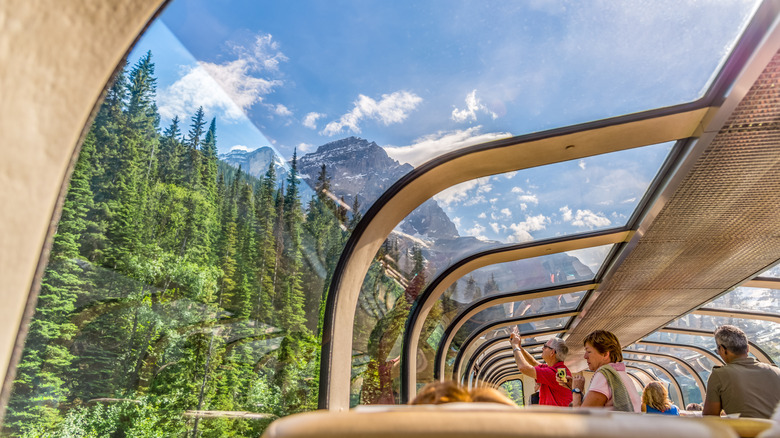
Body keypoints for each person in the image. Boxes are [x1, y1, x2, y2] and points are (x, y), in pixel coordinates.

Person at [703, 325, 780, 419]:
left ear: (722, 349)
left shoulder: (719, 375)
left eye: (717, 351)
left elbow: (710, 417)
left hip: (746, 433)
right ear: (747, 348)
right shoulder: (776, 372)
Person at [562, 330, 641, 412]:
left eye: (589, 351)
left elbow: (581, 417)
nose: (585, 356)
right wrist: (573, 386)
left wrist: (576, 391)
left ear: (605, 354)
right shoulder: (621, 375)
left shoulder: (604, 375)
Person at [509, 326, 572, 407]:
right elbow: (533, 363)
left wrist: (515, 346)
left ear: (552, 352)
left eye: (545, 346)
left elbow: (523, 368)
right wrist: (520, 347)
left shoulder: (555, 374)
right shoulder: (559, 370)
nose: (542, 348)